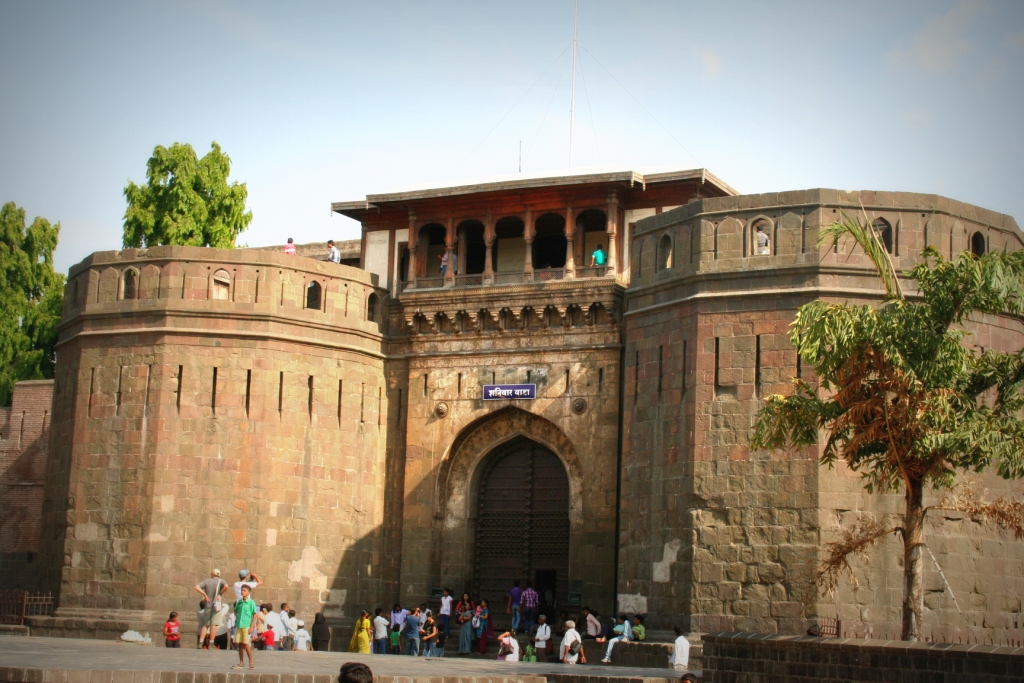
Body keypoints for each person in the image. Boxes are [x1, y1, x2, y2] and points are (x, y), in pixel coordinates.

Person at [193, 569, 227, 649]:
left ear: (212, 574)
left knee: (205, 624)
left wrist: (205, 595)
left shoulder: (206, 581)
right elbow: (226, 586)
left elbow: (196, 587)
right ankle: (211, 643)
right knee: (213, 624)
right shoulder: (221, 581)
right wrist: (220, 593)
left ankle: (200, 642)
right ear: (219, 574)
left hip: (207, 604)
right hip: (216, 605)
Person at [232, 583, 257, 670]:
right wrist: (236, 618)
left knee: (246, 644)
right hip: (239, 625)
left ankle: (251, 662)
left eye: (244, 590)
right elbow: (235, 610)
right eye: (242, 590)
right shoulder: (240, 602)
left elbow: (255, 614)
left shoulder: (251, 603)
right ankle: (241, 662)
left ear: (248, 592)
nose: (242, 592)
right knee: (240, 645)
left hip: (247, 625)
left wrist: (252, 626)